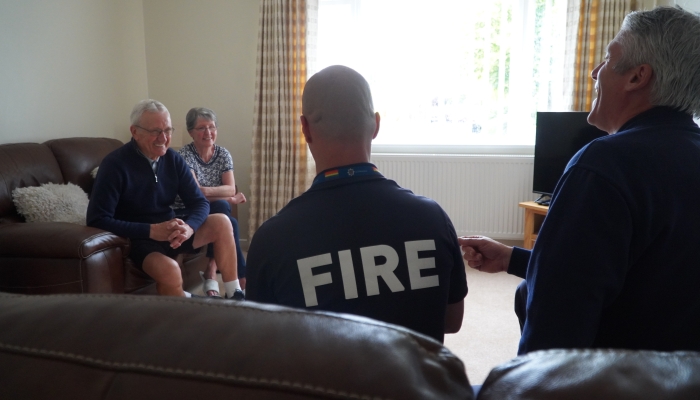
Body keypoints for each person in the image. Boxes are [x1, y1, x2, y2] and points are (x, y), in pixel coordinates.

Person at [460, 6, 700, 354]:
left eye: (607, 58)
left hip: (615, 380)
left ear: (637, 77)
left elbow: (556, 320)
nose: (594, 72)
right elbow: (652, 280)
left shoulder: (605, 165)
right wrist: (516, 259)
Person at [246, 65, 468, 343]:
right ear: (375, 124)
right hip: (415, 386)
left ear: (305, 128)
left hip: (327, 387)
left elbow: (264, 340)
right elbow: (451, 320)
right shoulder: (433, 219)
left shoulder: (272, 240)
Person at [87, 99, 244, 300]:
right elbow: (96, 219)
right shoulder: (114, 165)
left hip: (171, 231)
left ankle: (235, 294)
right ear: (135, 132)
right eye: (156, 131)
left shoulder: (173, 159)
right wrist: (151, 230)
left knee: (222, 221)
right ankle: (191, 301)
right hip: (139, 238)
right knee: (170, 271)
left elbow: (199, 201)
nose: (164, 138)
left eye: (168, 130)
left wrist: (189, 227)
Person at [172, 107, 248, 298]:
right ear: (191, 132)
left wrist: (223, 194)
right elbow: (194, 194)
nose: (208, 133)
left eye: (211, 127)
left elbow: (231, 188)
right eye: (201, 128)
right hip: (188, 208)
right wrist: (227, 197)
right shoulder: (184, 155)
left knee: (223, 208)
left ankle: (212, 271)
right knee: (225, 208)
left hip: (212, 206)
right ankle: (239, 279)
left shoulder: (223, 154)